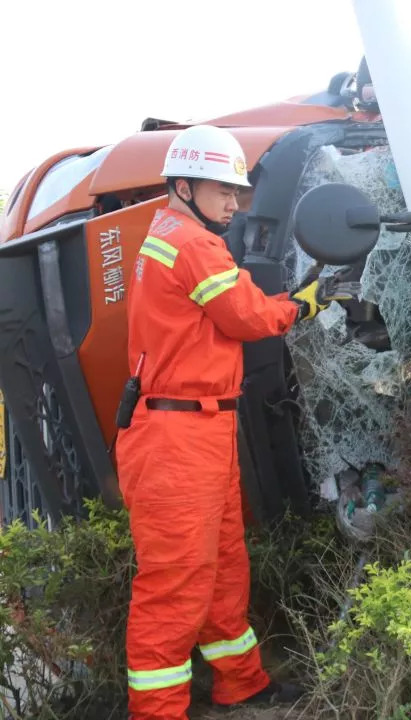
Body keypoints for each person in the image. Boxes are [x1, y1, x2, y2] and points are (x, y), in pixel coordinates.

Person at [116, 124, 331, 720]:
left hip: (196, 429)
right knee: (177, 581)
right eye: (223, 192)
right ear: (183, 187)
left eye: (238, 192)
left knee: (221, 565)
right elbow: (245, 316)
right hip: (176, 435)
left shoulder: (172, 233)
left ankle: (241, 684)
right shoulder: (193, 244)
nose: (235, 204)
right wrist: (306, 302)